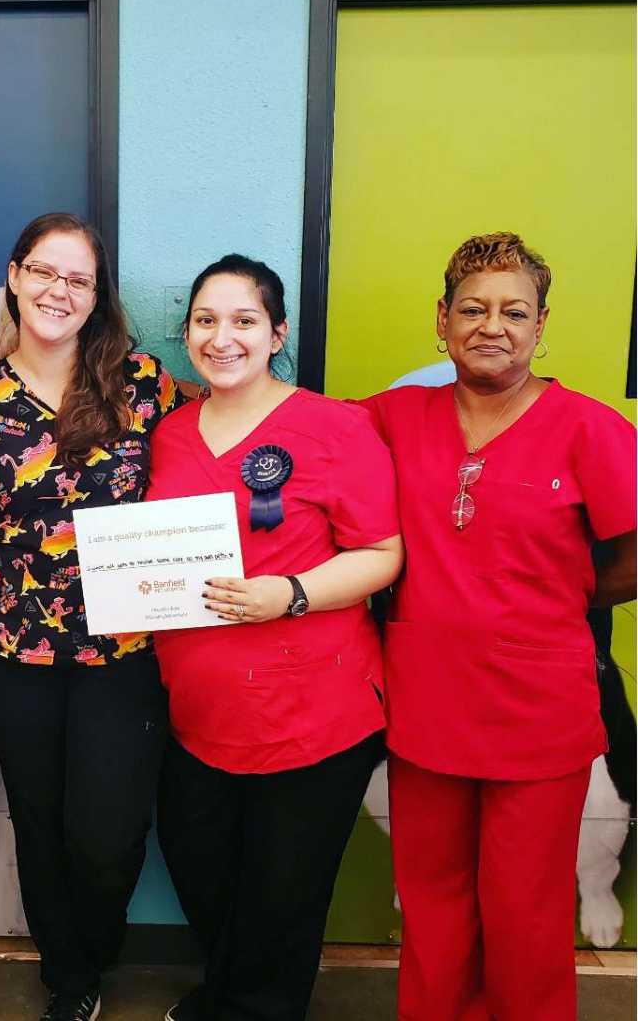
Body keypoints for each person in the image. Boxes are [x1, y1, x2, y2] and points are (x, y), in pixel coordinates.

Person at [362, 232, 637, 1021]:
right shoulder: (392, 417)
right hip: (425, 707)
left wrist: (566, 594)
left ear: (541, 325)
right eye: (474, 308)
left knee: (525, 915)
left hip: (539, 714)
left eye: (515, 311)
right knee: (435, 909)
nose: (494, 325)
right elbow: (288, 432)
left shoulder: (589, 427)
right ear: (441, 320)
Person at [145, 254, 403, 1021]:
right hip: (197, 715)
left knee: (282, 897)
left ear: (278, 331)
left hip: (314, 714)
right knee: (202, 869)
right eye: (206, 321)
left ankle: (256, 1008)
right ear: (187, 332)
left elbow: (382, 554)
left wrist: (289, 594)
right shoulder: (168, 434)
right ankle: (228, 993)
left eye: (244, 320)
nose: (222, 337)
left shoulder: (335, 427)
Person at [0, 213, 181, 1021]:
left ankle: (99, 945)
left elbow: (186, 496)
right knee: (40, 822)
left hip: (126, 648)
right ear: (13, 275)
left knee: (108, 834)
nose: (60, 291)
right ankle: (69, 979)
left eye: (79, 279)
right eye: (45, 272)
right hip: (14, 646)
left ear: (97, 294)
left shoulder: (143, 382)